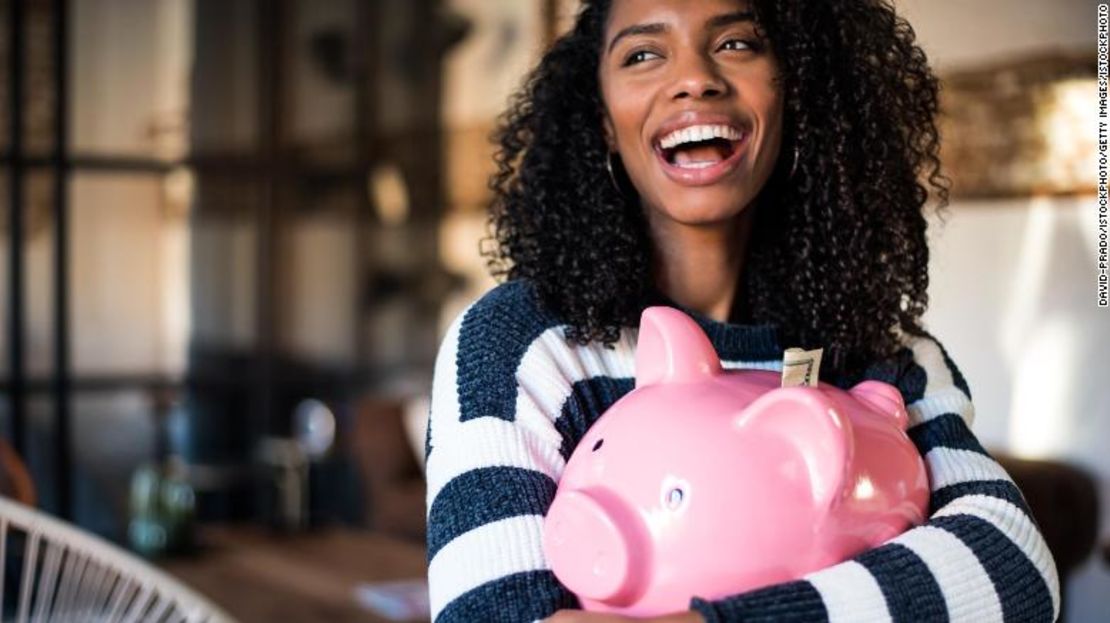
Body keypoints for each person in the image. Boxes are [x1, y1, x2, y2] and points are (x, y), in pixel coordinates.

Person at [424, 0, 1060, 621]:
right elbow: (486, 609)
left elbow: (1015, 570)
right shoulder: (524, 344)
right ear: (601, 123)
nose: (695, 79)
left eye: (736, 43)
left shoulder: (887, 354)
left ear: (794, 93)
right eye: (643, 54)